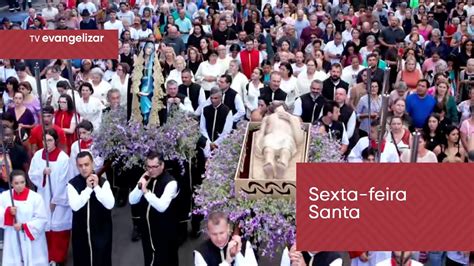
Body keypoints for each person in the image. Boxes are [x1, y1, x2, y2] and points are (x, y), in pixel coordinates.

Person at [28, 128, 71, 265]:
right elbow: (32, 174)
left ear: (56, 141)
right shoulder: (38, 155)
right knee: (45, 226)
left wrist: (56, 200)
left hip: (58, 199)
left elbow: (65, 180)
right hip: (43, 196)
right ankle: (47, 256)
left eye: (50, 140)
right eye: (44, 140)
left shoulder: (63, 158)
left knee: (59, 228)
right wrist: (43, 172)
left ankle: (58, 258)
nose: (47, 143)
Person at [129, 151, 180, 266]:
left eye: (154, 167)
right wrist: (140, 186)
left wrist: (146, 192)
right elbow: (132, 200)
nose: (151, 170)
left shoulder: (171, 183)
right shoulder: (146, 178)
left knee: (166, 260)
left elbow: (161, 206)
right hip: (148, 230)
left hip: (164, 232)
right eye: (148, 167)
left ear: (162, 165)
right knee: (149, 259)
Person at [68, 151, 115, 266]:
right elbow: (75, 206)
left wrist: (97, 187)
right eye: (80, 165)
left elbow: (110, 204)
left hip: (101, 231)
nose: (84, 168)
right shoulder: (72, 184)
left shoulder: (103, 182)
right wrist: (88, 189)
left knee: (102, 260)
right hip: (81, 233)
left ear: (92, 164)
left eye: (86, 164)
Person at [0, 170, 48, 266]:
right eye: (16, 183)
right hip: (13, 237)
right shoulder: (5, 196)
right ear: (11, 183)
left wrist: (24, 226)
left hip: (31, 239)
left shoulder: (35, 197)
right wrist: (8, 212)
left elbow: (42, 218)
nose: (20, 185)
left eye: (22, 182)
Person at [255, 103, 305, 179]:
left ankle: (280, 164)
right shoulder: (267, 118)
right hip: (272, 136)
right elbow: (261, 132)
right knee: (270, 150)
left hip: (285, 137)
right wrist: (257, 143)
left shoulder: (293, 118)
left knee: (281, 151)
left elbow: (299, 138)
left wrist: (291, 119)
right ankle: (271, 164)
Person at [131, 41, 165, 126]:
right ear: (144, 48)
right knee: (141, 100)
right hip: (141, 85)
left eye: (151, 48)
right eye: (148, 47)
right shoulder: (140, 62)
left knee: (145, 98)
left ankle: (147, 120)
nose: (149, 50)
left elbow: (157, 78)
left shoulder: (154, 63)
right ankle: (143, 120)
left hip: (151, 86)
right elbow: (135, 76)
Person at [200, 88, 233, 153]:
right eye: (211, 98)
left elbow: (226, 131)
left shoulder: (227, 111)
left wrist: (216, 143)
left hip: (221, 144)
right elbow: (202, 128)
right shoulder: (205, 110)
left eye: (215, 98)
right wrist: (209, 142)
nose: (213, 100)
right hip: (206, 143)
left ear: (220, 98)